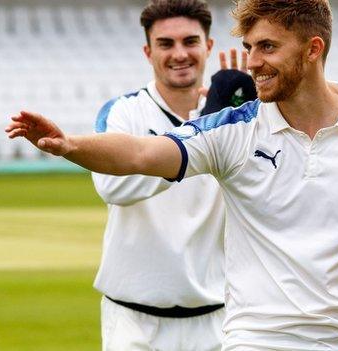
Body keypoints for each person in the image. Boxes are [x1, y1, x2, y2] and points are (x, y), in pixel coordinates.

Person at [6, 0, 338, 350]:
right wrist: (69, 145)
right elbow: (137, 154)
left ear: (313, 49)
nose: (253, 62)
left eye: (267, 47)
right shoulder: (230, 126)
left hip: (333, 339)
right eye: (249, 47)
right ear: (147, 51)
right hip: (242, 338)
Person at [89, 0, 253, 350]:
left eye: (190, 41)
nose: (179, 53)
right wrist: (205, 126)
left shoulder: (235, 115)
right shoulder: (123, 112)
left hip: (217, 319)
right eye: (166, 44)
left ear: (208, 46)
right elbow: (112, 185)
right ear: (148, 52)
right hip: (133, 323)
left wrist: (262, 112)